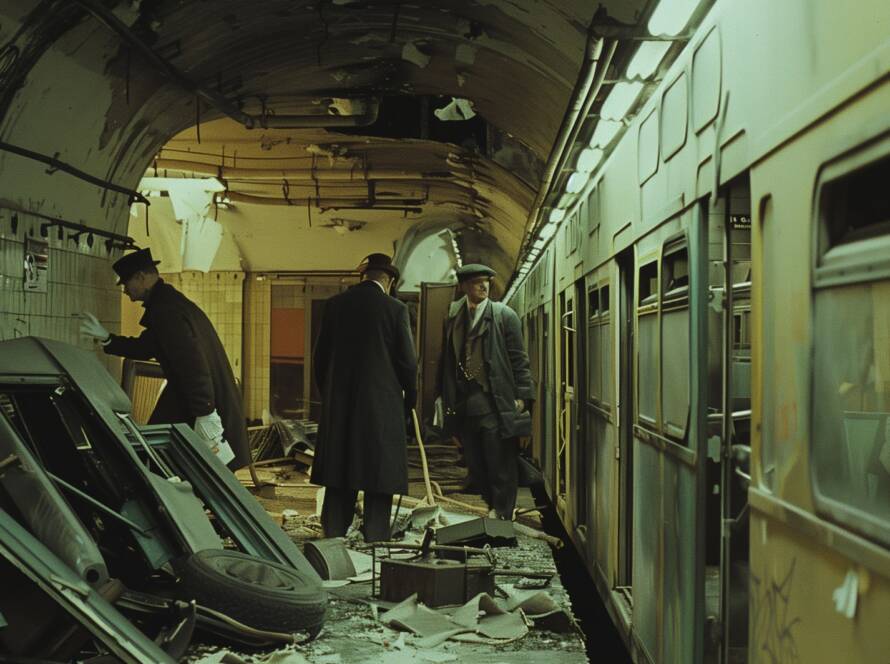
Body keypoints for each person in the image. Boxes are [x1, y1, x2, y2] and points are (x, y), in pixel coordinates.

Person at [79, 248, 249, 470]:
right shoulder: (169, 303)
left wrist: (205, 412)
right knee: (189, 467)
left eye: (126, 283)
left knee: (166, 462)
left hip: (199, 402)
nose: (125, 290)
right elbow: (147, 347)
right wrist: (107, 338)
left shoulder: (165, 310)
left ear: (141, 277)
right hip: (199, 398)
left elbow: (192, 364)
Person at [311, 253, 418, 542]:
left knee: (340, 470)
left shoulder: (335, 305)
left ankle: (333, 535)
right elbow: (408, 363)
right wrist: (408, 402)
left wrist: (331, 396)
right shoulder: (395, 309)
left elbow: (320, 359)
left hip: (340, 405)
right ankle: (375, 537)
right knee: (378, 474)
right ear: (390, 280)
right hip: (381, 406)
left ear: (364, 275)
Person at [438, 263, 534, 520]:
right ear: (463, 287)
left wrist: (523, 397)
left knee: (500, 462)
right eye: (476, 282)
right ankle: (493, 505)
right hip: (465, 402)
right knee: (476, 464)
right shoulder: (454, 318)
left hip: (494, 401)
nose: (483, 286)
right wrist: (442, 398)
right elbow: (447, 361)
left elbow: (519, 359)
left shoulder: (505, 316)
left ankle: (502, 513)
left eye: (486, 282)